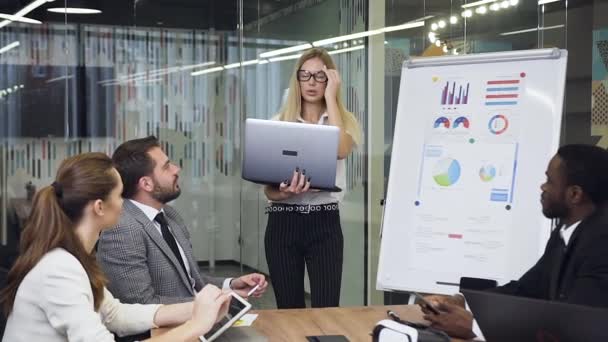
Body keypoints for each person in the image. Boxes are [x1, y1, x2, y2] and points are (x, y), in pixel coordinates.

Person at [0, 153, 232, 342]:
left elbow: (114, 315)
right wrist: (196, 325)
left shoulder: (74, 257)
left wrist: (197, 309)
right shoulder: (59, 269)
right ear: (99, 207)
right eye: (120, 195)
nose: (125, 203)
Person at [422, 144, 608, 339]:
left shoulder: (602, 243)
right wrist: (463, 302)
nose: (543, 187)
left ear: (575, 194)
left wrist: (474, 327)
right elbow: (526, 290)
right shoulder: (564, 233)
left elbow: (575, 327)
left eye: (549, 181)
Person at [97, 137, 267, 307]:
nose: (176, 169)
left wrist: (231, 284)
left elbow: (190, 281)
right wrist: (221, 298)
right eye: (166, 166)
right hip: (161, 332)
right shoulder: (122, 229)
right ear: (146, 184)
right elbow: (143, 304)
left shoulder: (169, 215)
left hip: (195, 322)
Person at [263, 47, 362, 309]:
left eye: (320, 76)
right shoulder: (279, 123)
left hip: (324, 220)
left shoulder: (344, 121)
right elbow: (268, 191)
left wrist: (332, 100)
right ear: (296, 79)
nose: (311, 82)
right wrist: (283, 193)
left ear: (330, 80)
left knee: (327, 307)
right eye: (305, 75)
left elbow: (340, 150)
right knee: (289, 308)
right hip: (283, 221)